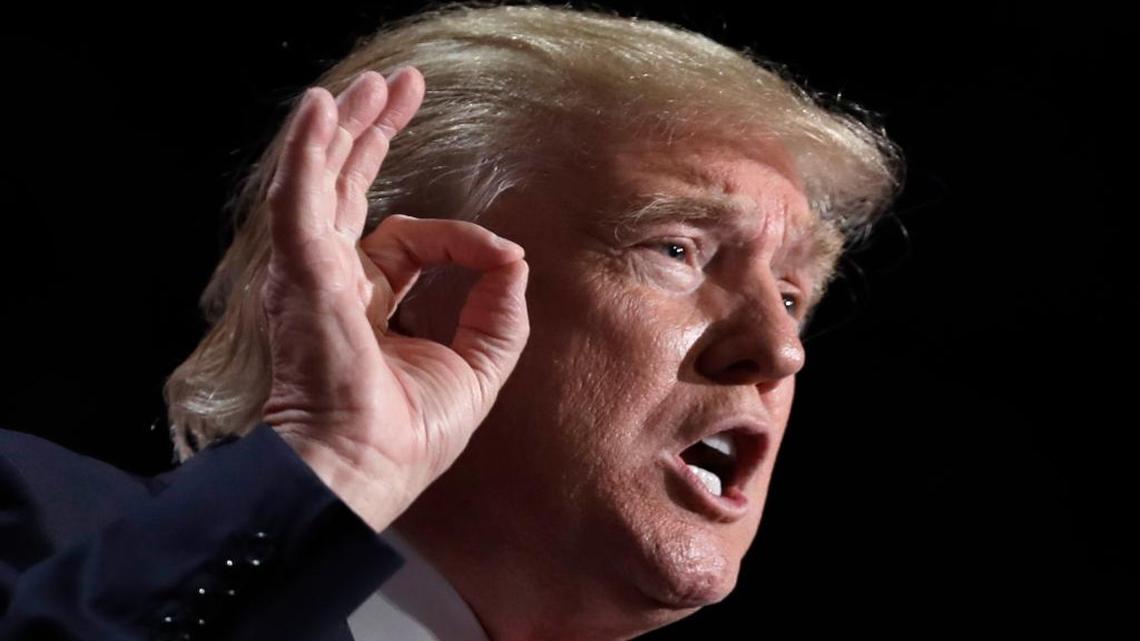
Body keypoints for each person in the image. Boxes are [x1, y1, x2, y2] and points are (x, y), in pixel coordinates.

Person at [0, 4, 899, 640]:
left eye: (791, 295)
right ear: (417, 290)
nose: (779, 349)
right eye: (676, 250)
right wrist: (337, 469)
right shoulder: (37, 521)